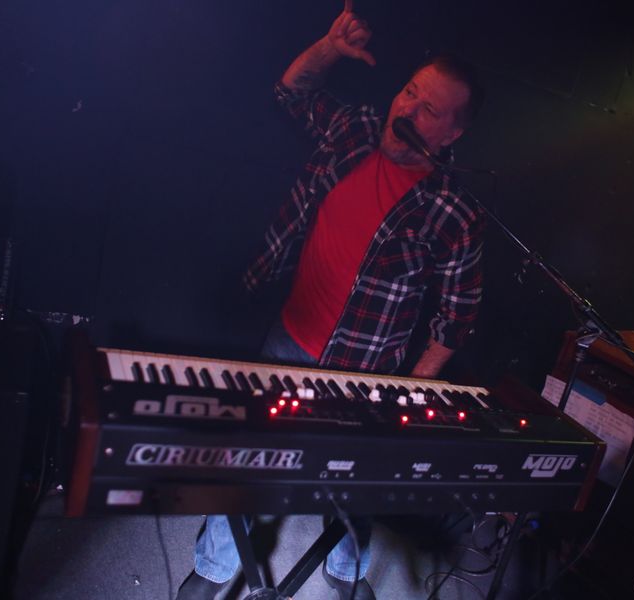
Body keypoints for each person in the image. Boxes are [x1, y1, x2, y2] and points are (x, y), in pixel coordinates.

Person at [177, 2, 485, 599]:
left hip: (365, 372)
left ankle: (345, 573)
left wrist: (413, 387)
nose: (407, 109)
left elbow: (458, 314)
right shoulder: (355, 129)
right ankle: (214, 568)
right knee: (248, 458)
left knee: (353, 484)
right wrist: (328, 48)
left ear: (453, 133)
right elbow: (290, 93)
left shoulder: (455, 211)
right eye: (409, 92)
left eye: (429, 109)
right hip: (288, 339)